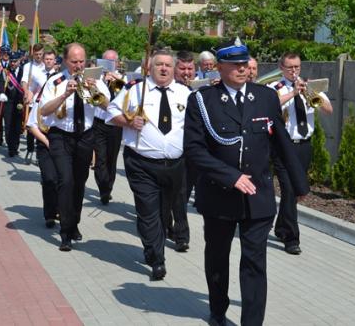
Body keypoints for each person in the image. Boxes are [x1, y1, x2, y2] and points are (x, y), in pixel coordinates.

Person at [184, 37, 309, 326]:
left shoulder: (265, 97)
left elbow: (281, 141)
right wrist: (231, 177)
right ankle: (218, 310)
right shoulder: (202, 100)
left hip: (257, 195)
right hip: (219, 195)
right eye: (235, 64)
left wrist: (299, 184)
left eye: (245, 63)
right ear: (220, 67)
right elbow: (194, 150)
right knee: (218, 258)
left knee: (254, 263)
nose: (242, 69)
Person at [107, 49, 190, 280]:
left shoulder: (185, 93)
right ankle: (157, 259)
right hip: (141, 163)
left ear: (174, 69)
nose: (163, 69)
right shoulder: (135, 89)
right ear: (149, 68)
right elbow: (111, 112)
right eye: (159, 64)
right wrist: (128, 121)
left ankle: (153, 245)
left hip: (174, 165)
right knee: (148, 210)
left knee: (164, 212)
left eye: (168, 65)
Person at [39, 43, 111, 251]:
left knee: (79, 182)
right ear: (64, 61)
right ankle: (65, 233)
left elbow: (108, 106)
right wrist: (64, 95)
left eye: (82, 61)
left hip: (85, 136)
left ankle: (74, 223)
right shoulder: (55, 81)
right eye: (74, 62)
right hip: (61, 136)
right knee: (66, 181)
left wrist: (94, 89)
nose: (78, 66)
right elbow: (44, 111)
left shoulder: (95, 79)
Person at [267, 52, 333, 255]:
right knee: (289, 190)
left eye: (297, 67)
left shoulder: (310, 86)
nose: (294, 71)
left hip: (304, 145)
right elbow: (269, 106)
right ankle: (291, 239)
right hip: (283, 145)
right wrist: (293, 93)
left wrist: (311, 93)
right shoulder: (274, 88)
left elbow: (329, 109)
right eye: (290, 67)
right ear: (281, 68)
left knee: (295, 193)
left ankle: (281, 227)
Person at [166, 50, 197, 251]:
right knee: (176, 192)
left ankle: (175, 228)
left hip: (193, 150)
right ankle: (180, 234)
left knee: (183, 194)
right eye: (183, 68)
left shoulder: (200, 89)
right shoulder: (169, 90)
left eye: (190, 69)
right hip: (173, 148)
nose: (187, 73)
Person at [26, 71, 60, 228]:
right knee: (49, 179)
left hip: (62, 144)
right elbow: (31, 125)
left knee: (63, 180)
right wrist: (47, 141)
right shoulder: (40, 103)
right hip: (45, 144)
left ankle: (60, 209)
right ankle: (50, 214)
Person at [93, 48, 125, 205]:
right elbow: (94, 98)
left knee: (111, 158)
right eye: (106, 61)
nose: (109, 64)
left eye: (112, 61)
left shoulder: (122, 79)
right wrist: (103, 81)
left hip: (115, 124)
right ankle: (102, 188)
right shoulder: (96, 78)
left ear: (117, 63)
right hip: (99, 122)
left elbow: (122, 99)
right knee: (100, 159)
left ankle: (108, 188)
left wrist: (116, 82)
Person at [0, 51, 26, 157]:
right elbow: (1, 84)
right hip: (8, 102)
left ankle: (15, 145)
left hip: (19, 102)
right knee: (8, 125)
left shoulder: (24, 71)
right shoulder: (5, 71)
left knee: (17, 126)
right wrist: (1, 93)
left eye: (15, 61)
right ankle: (11, 148)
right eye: (11, 61)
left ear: (19, 61)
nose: (13, 63)